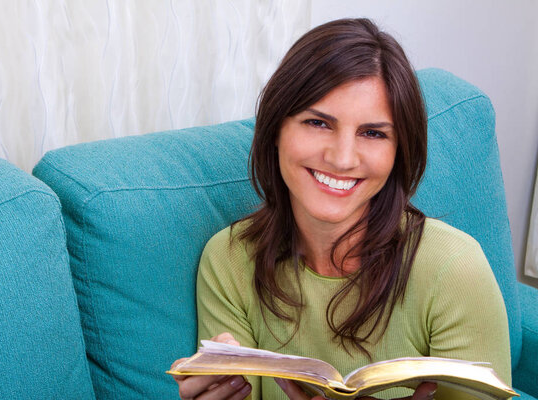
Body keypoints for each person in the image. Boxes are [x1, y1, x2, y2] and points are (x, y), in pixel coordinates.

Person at [171, 18, 510, 400]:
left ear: (398, 152)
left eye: (373, 133)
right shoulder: (229, 260)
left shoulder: (455, 268)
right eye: (318, 123)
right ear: (276, 131)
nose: (343, 158)